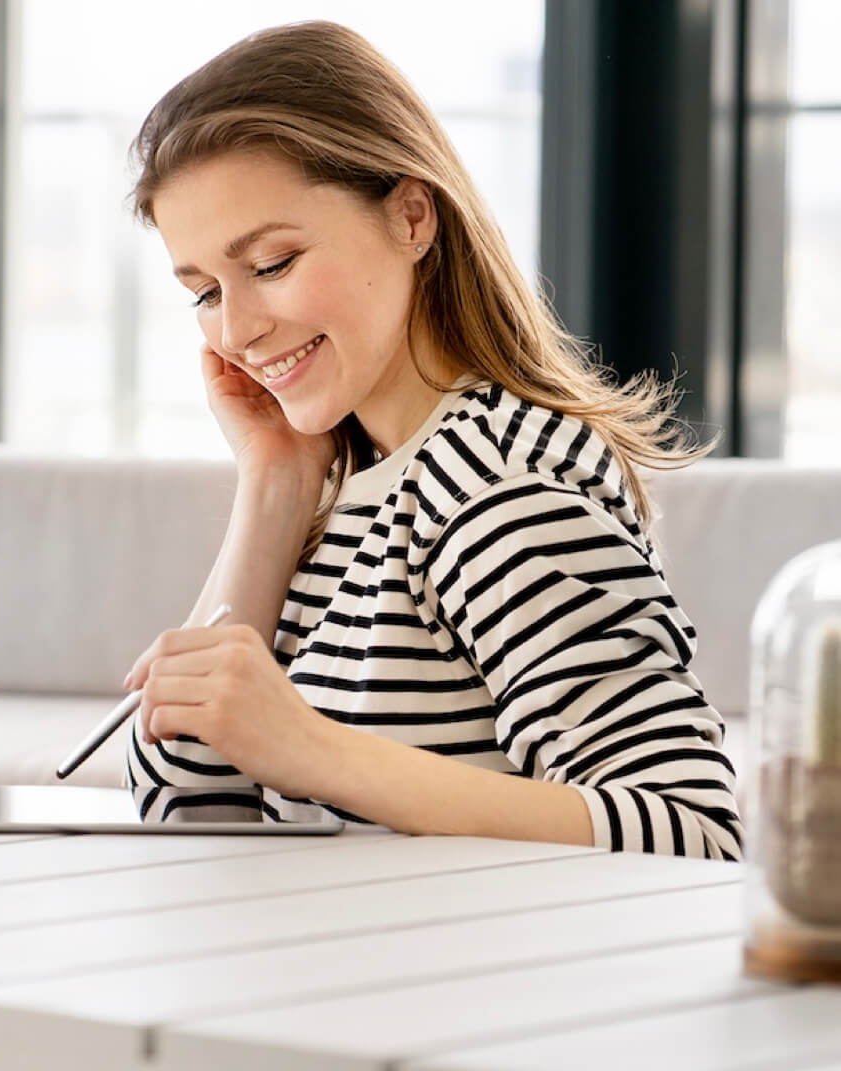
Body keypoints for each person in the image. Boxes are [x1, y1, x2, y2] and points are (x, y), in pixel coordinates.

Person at [121, 19, 743, 859]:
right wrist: (273, 486)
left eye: (271, 264)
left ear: (412, 217)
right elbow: (182, 799)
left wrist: (315, 751)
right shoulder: (350, 476)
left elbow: (692, 836)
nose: (236, 329)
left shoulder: (497, 486)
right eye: (203, 291)